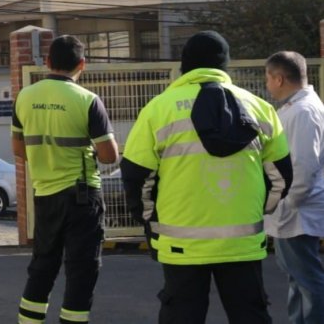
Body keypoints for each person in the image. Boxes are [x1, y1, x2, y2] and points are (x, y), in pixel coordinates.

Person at [121, 31, 293, 324]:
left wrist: (150, 219)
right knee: (250, 315)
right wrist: (256, 210)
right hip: (243, 243)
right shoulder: (261, 109)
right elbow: (281, 178)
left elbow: (136, 177)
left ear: (184, 66)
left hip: (180, 243)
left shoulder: (158, 110)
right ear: (224, 65)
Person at [12, 35, 119, 324]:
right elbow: (109, 156)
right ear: (82, 64)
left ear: (47, 62)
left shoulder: (25, 96)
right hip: (81, 196)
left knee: (43, 264)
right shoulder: (87, 101)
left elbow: (18, 148)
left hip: (45, 194)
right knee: (82, 268)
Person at [264, 51, 324, 324]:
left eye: (267, 78)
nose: (267, 85)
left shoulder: (302, 111)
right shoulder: (299, 108)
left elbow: (303, 167)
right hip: (295, 210)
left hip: (298, 212)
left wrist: (286, 205)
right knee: (298, 279)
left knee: (307, 280)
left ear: (278, 78)